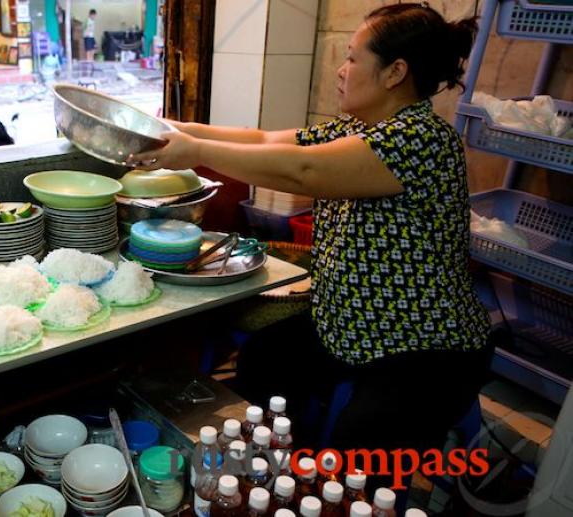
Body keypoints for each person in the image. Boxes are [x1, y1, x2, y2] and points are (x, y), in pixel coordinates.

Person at [129, 2, 493, 486]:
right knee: (264, 359)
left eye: (352, 58)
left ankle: (323, 485)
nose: (341, 71)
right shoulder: (357, 129)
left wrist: (194, 154)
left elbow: (304, 170)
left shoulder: (422, 139)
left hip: (423, 348)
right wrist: (170, 130)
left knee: (358, 461)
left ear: (395, 73)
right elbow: (261, 140)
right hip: (350, 329)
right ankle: (281, 474)